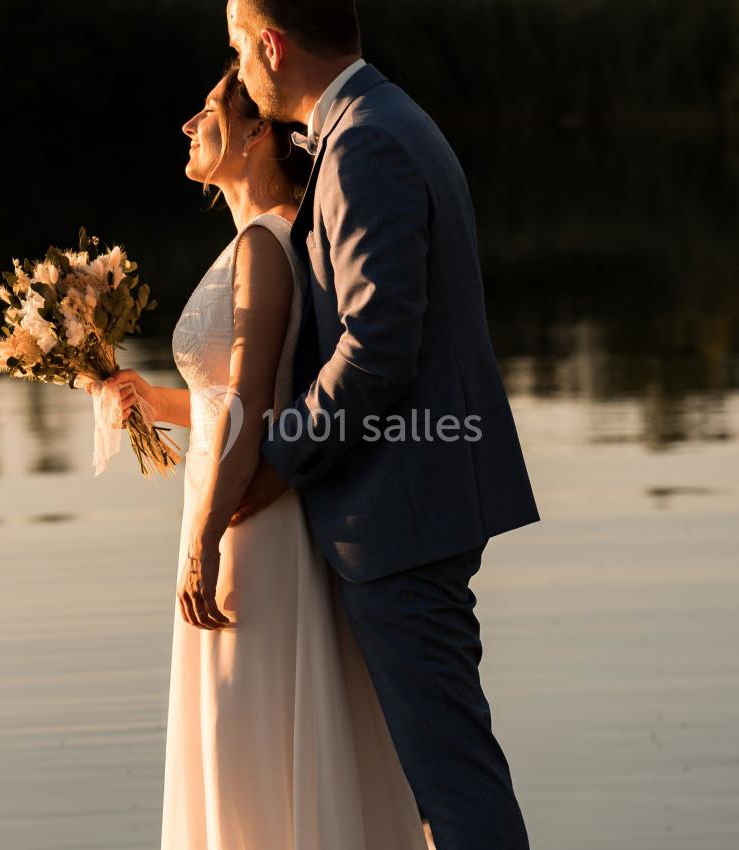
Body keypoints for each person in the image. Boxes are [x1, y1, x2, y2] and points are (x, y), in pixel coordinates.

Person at [223, 1, 541, 848]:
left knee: (451, 780)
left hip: (403, 513)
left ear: (272, 45)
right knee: (442, 778)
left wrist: (275, 461)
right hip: (410, 506)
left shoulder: (365, 142)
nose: (239, 71)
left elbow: (375, 349)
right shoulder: (381, 121)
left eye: (238, 47)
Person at [96, 63, 432, 850]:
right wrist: (154, 400)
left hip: (249, 530)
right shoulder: (273, 237)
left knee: (245, 737)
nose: (189, 125)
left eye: (207, 109)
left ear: (255, 130)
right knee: (248, 734)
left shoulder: (263, 245)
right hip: (241, 506)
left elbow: (251, 402)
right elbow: (239, 403)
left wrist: (205, 538)